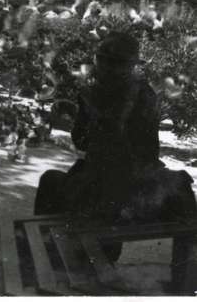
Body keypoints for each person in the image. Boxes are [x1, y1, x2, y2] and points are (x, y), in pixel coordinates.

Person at [34, 31, 197, 260]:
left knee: (51, 181)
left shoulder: (91, 93)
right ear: (131, 65)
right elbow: (149, 150)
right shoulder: (145, 94)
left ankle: (46, 254)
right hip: (136, 189)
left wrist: (81, 119)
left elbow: (81, 142)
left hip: (100, 190)